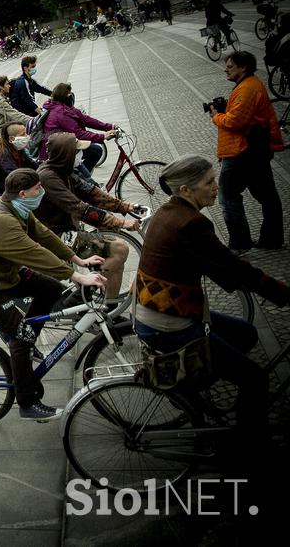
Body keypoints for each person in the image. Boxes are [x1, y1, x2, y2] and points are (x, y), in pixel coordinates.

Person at [133, 156, 289, 479]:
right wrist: (282, 294)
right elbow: (234, 269)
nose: (217, 187)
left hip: (160, 309)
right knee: (254, 378)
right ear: (187, 189)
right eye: (209, 183)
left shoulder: (168, 212)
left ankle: (202, 385)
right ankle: (252, 447)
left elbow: (221, 267)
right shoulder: (191, 224)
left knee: (245, 334)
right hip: (169, 323)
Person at [0, 168, 107, 420]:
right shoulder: (2, 220)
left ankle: (25, 342)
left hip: (5, 275)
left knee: (51, 290)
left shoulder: (18, 208)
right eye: (38, 188)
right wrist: (78, 276)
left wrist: (77, 259)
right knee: (21, 337)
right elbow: (34, 251)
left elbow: (44, 235)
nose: (42, 191)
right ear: (23, 192)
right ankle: (27, 401)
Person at [34, 133, 142, 302]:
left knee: (118, 256)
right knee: (120, 250)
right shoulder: (48, 177)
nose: (81, 154)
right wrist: (120, 223)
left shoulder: (64, 170)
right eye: (77, 151)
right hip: (54, 237)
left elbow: (92, 192)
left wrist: (124, 206)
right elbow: (80, 208)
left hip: (69, 231)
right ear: (67, 155)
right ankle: (84, 290)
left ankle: (109, 309)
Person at [211, 51, 284, 253]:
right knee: (267, 196)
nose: (226, 68)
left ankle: (239, 243)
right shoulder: (250, 85)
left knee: (228, 196)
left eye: (230, 66)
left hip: (241, 152)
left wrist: (216, 116)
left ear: (243, 67)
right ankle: (272, 239)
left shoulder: (247, 90)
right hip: (254, 151)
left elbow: (234, 121)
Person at [41, 82, 116, 174]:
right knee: (95, 151)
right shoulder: (61, 113)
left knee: (95, 150)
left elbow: (85, 119)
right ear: (63, 96)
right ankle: (83, 181)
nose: (71, 95)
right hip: (61, 150)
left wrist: (109, 126)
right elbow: (78, 133)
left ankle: (82, 178)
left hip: (66, 144)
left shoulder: (64, 107)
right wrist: (102, 136)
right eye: (69, 93)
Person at [0, 122, 39, 201]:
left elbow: (31, 164)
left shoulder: (18, 149)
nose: (27, 136)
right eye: (23, 134)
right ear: (12, 139)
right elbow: (16, 175)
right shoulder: (3, 154)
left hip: (7, 190)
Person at [0, 75, 31, 144]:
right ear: (1, 87)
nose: (9, 86)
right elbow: (15, 115)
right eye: (7, 84)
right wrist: (33, 120)